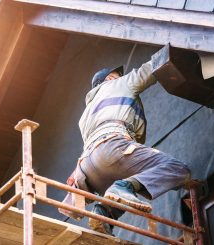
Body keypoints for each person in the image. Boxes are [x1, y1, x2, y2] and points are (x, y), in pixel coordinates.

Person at [60, 55, 191, 235]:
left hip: (88, 170)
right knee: (178, 169)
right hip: (111, 147)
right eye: (117, 75)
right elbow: (148, 70)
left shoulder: (86, 114)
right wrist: (175, 49)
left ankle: (104, 213)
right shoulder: (116, 84)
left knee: (124, 182)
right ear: (109, 78)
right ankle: (122, 189)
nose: (121, 76)